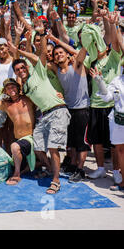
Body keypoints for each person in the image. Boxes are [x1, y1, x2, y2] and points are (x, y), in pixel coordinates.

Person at [12, 30, 71, 194]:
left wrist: (43, 35)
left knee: (53, 147)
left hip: (58, 111)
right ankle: (52, 169)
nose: (21, 70)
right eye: (17, 69)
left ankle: (56, 180)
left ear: (27, 68)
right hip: (45, 115)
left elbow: (43, 52)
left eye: (23, 67)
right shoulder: (25, 87)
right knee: (37, 147)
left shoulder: (39, 71)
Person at [49, 38, 90, 182]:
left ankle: (80, 169)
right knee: (71, 142)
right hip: (68, 109)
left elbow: (81, 51)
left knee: (82, 143)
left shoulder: (77, 66)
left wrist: (54, 39)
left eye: (61, 52)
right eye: (56, 53)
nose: (59, 55)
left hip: (82, 109)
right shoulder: (57, 69)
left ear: (67, 55)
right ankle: (72, 165)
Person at [0, 78, 36, 185]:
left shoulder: (28, 99)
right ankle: (29, 167)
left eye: (13, 86)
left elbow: (42, 96)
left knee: (14, 147)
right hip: (20, 140)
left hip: (31, 138)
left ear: (18, 87)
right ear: (5, 91)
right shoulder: (6, 105)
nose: (11, 89)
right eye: (8, 88)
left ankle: (16, 175)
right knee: (12, 161)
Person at [91, 63, 124, 191]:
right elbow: (107, 97)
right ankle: (123, 183)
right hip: (118, 120)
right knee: (120, 151)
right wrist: (99, 82)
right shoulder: (117, 81)